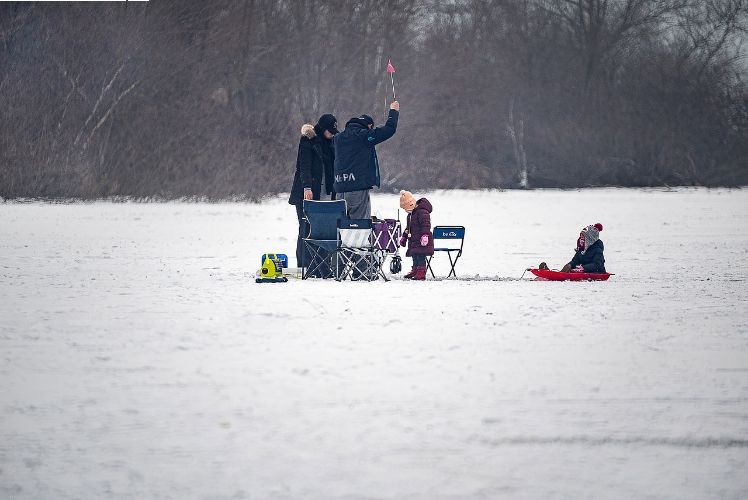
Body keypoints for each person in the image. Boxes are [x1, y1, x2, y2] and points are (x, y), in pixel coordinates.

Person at [333, 101, 399, 219]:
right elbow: (389, 129)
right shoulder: (364, 136)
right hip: (357, 190)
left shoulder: (338, 138)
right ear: (369, 126)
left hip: (339, 190)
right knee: (359, 229)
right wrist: (393, 111)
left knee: (341, 228)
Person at [288, 114, 338, 269]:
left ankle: (322, 266)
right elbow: (304, 166)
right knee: (306, 229)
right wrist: (307, 187)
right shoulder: (308, 140)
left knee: (324, 230)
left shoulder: (331, 143)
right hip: (307, 194)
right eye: (329, 131)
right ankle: (305, 265)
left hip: (325, 194)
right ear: (322, 128)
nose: (331, 134)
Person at [540, 223, 606, 273]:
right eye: (581, 237)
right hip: (580, 271)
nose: (581, 239)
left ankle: (557, 276)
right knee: (568, 267)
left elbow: (597, 265)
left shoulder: (597, 250)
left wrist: (583, 268)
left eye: (583, 238)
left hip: (595, 272)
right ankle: (554, 273)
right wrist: (570, 265)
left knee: (571, 271)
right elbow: (575, 261)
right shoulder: (581, 249)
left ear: (590, 239)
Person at [398, 190, 433, 280]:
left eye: (407, 209)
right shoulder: (411, 214)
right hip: (413, 239)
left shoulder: (422, 212)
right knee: (414, 255)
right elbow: (408, 227)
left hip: (422, 239)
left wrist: (425, 235)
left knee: (420, 255)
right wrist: (404, 237)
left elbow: (426, 224)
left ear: (411, 204)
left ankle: (421, 272)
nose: (406, 211)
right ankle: (415, 270)